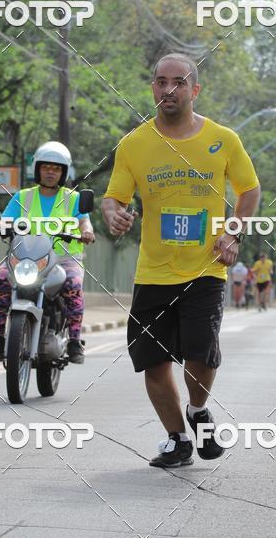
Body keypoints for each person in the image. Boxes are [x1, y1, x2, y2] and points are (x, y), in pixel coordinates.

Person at [102, 53, 260, 468]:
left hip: (206, 267)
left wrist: (233, 231)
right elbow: (113, 197)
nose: (168, 89)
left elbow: (249, 190)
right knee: (152, 360)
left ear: (195, 89)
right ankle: (177, 440)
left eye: (178, 82)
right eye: (160, 81)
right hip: (153, 271)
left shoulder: (223, 139)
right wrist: (114, 214)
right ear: (152, 87)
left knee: (201, 354)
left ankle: (198, 410)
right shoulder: (134, 144)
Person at [0, 142, 95, 363]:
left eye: (56, 168)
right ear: (37, 169)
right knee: (0, 278)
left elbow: (84, 222)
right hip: (26, 259)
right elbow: (6, 220)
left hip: (64, 260)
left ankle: (74, 340)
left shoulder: (73, 198)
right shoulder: (23, 197)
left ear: (63, 172)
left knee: (73, 284)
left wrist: (87, 232)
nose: (50, 172)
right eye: (46, 167)